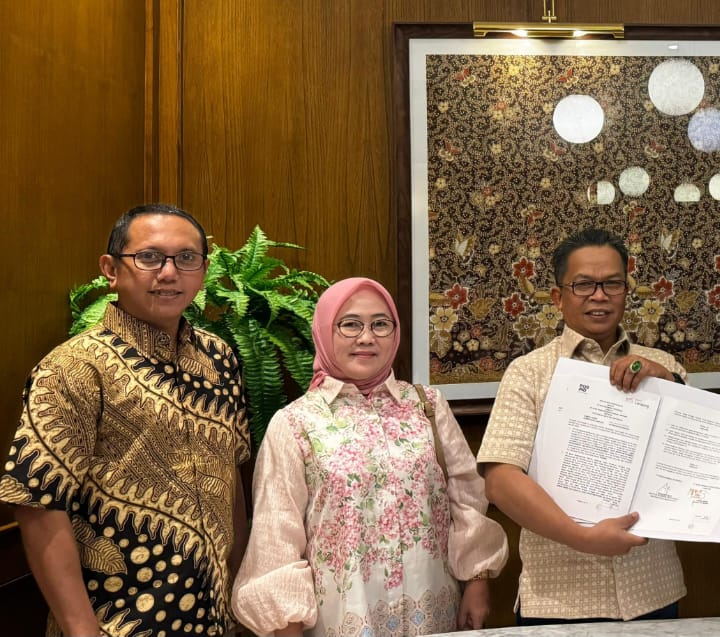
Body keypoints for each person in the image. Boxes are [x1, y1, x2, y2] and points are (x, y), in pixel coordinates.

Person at [0, 204, 249, 637]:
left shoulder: (220, 358)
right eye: (149, 257)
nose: (169, 273)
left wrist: (239, 595)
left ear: (204, 270)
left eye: (186, 258)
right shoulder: (73, 368)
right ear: (111, 269)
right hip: (119, 622)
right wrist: (82, 630)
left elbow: (232, 476)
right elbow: (38, 504)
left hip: (216, 619)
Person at [231, 277, 508, 636]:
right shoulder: (296, 423)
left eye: (380, 324)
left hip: (434, 611)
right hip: (344, 617)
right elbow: (276, 536)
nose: (366, 337)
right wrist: (287, 627)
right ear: (324, 331)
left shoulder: (427, 406)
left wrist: (477, 580)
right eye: (350, 324)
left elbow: (467, 498)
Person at [477, 228, 687, 624]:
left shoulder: (663, 366)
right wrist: (584, 538)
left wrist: (670, 385)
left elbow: (693, 458)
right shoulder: (529, 373)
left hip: (653, 590)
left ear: (626, 290)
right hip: (559, 599)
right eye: (584, 284)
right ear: (558, 297)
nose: (599, 295)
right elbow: (500, 481)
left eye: (612, 283)